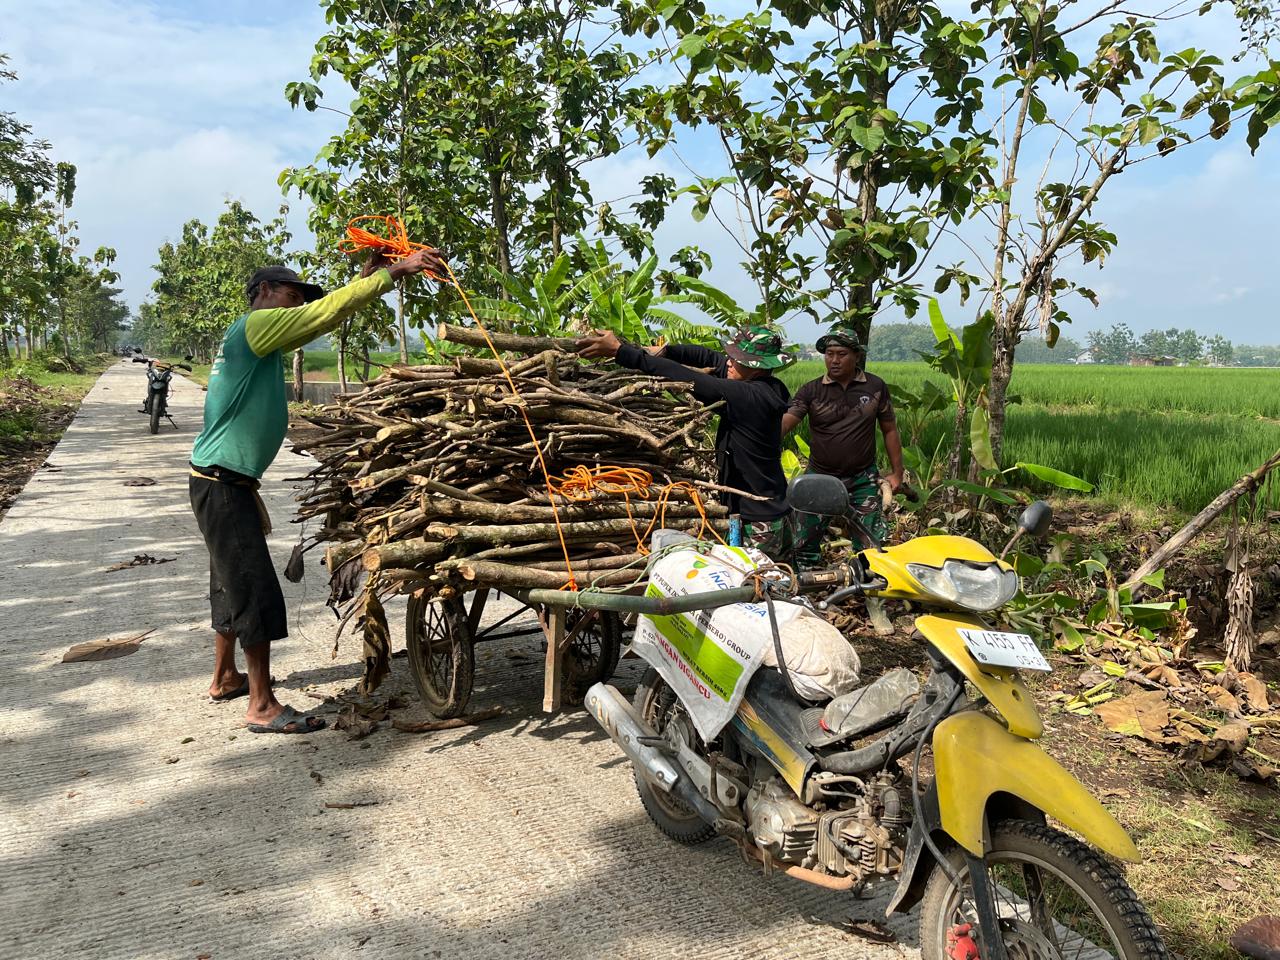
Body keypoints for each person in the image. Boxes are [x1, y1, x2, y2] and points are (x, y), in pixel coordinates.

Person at [190, 248, 446, 734]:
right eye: (290, 296)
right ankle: (262, 706)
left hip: (221, 482)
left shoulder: (258, 336)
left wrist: (364, 280)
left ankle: (225, 677)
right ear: (263, 292)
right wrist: (393, 273)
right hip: (222, 485)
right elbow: (317, 316)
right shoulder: (253, 326)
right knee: (254, 590)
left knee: (227, 583)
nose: (295, 305)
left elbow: (316, 319)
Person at [576, 325, 797, 558]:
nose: (729, 363)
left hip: (759, 522)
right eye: (730, 357)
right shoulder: (768, 385)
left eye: (738, 360)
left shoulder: (750, 397)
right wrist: (667, 350)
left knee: (761, 585)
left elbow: (690, 379)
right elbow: (709, 357)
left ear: (758, 367)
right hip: (753, 512)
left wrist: (622, 352)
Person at [782, 326, 904, 567]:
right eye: (829, 354)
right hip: (819, 477)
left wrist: (897, 472)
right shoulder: (811, 390)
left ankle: (867, 590)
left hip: (862, 478)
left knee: (871, 546)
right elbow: (786, 423)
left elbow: (889, 429)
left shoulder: (875, 387)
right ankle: (808, 588)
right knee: (804, 543)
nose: (834, 360)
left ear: (857, 355)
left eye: (841, 354)